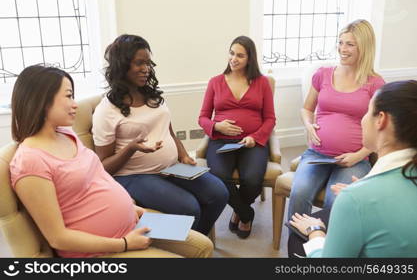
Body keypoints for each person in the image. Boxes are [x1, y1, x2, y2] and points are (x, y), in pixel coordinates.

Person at [9, 65, 213, 258]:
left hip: (133, 222)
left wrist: (133, 209)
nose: (74, 104)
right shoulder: (30, 161)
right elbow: (58, 238)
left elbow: (95, 181)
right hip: (104, 249)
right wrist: (124, 243)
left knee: (204, 246)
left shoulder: (65, 134)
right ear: (42, 100)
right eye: (69, 96)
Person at [92, 34, 228, 236]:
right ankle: (184, 245)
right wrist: (131, 148)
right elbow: (102, 167)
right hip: (134, 176)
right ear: (122, 66)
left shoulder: (153, 96)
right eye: (139, 63)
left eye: (148, 63)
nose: (146, 69)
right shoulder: (107, 110)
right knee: (189, 208)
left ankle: (196, 245)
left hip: (171, 167)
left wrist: (182, 154)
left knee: (219, 193)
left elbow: (169, 131)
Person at [289, 80, 417, 257]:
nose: (363, 119)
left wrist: (316, 232)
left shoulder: (355, 199)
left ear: (381, 120)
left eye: (367, 112)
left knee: (297, 241)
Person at [287, 19, 385, 221]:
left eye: (350, 44)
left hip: (353, 160)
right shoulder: (322, 74)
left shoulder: (375, 83)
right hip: (317, 153)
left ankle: (325, 248)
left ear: (364, 47)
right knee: (299, 194)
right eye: (340, 42)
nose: (342, 49)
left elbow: (382, 131)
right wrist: (308, 125)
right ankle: (298, 251)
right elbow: (307, 109)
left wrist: (359, 155)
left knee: (337, 202)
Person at [198, 36, 276, 238]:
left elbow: (270, 119)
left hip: (252, 142)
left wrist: (255, 137)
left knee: (252, 179)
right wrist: (217, 126)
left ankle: (239, 210)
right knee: (217, 178)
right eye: (232, 53)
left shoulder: (262, 83)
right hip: (221, 141)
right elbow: (203, 118)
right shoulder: (215, 82)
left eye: (240, 55)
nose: (234, 59)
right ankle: (246, 213)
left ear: (250, 59)